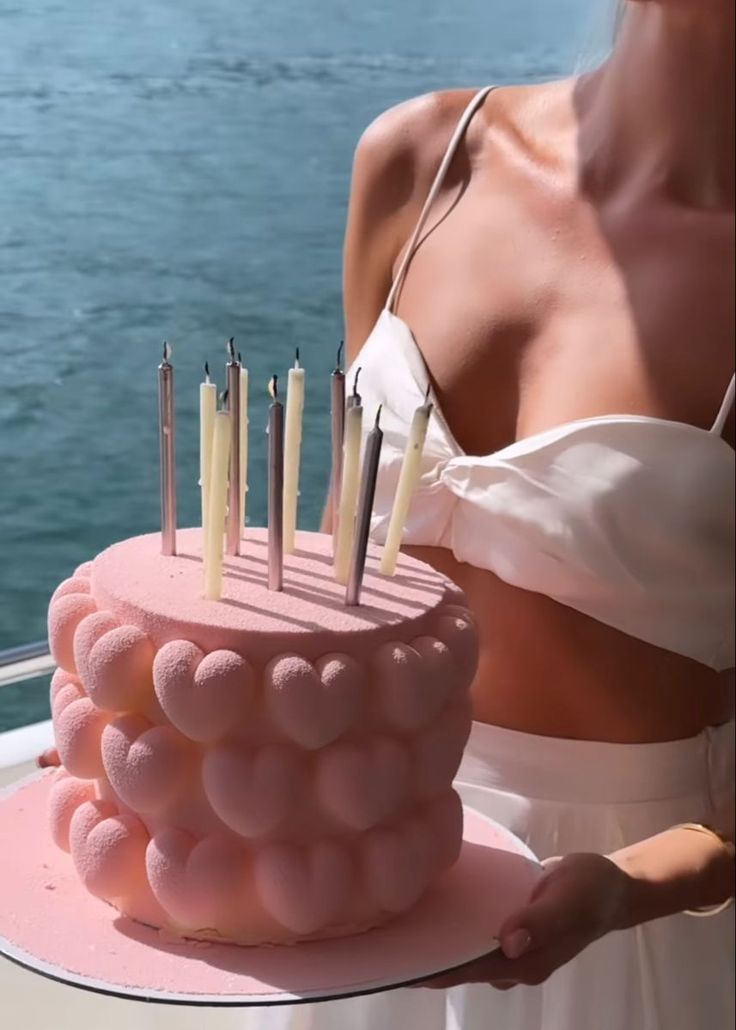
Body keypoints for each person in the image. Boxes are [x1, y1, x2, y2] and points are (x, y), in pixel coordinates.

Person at [298, 1, 734, 1027]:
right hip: (349, 865)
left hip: (620, 930)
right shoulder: (418, 159)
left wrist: (634, 886)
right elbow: (329, 580)